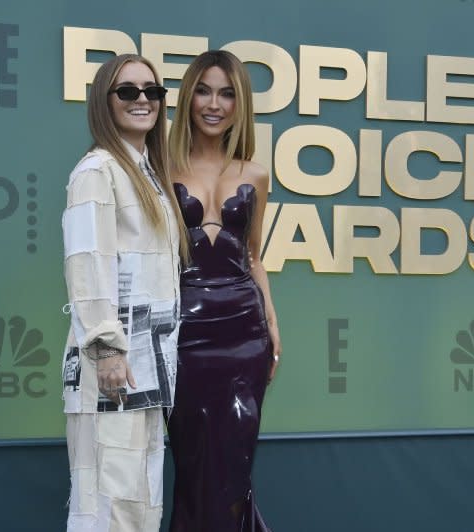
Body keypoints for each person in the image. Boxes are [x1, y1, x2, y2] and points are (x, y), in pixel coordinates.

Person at [60, 53, 187, 531]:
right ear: (104, 101)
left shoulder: (147, 171)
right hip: (113, 367)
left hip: (148, 364)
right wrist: (108, 349)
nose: (142, 100)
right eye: (127, 91)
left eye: (152, 91)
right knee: (106, 502)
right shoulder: (97, 170)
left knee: (137, 501)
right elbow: (87, 263)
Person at [166, 49, 282, 531]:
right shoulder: (157, 167)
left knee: (235, 471)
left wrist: (272, 324)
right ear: (189, 97)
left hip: (245, 337)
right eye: (205, 91)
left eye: (227, 93)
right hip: (182, 339)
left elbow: (253, 254)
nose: (214, 104)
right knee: (194, 471)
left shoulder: (255, 173)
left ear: (241, 104)